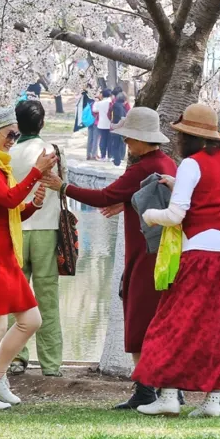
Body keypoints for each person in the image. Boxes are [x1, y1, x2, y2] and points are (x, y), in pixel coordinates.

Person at [52, 107, 176, 410]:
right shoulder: (165, 162)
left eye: (129, 138)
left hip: (145, 254)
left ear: (142, 139)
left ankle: (146, 389)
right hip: (160, 253)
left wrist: (63, 187)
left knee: (139, 319)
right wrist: (129, 203)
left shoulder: (142, 168)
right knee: (157, 320)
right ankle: (168, 388)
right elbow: (152, 198)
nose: (126, 143)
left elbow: (104, 196)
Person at [133, 103, 220, 418]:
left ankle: (169, 395)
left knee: (173, 321)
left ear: (189, 137)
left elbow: (175, 215)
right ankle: (214, 401)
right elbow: (212, 195)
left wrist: (149, 215)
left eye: (181, 134)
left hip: (201, 251)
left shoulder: (190, 164)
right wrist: (178, 186)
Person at [0, 108, 56, 410]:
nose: (13, 139)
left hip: (2, 249)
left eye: (16, 134)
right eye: (10, 134)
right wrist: (36, 172)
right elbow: (8, 199)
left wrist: (33, 207)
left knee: (31, 320)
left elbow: (9, 208)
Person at [7, 100, 63, 377]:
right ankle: (51, 364)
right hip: (46, 230)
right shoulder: (51, 151)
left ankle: (14, 357)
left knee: (14, 299)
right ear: (42, 123)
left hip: (16, 230)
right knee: (47, 299)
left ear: (17, 124)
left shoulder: (7, 153)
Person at [109, 91, 129, 166]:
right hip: (119, 127)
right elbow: (122, 116)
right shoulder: (120, 106)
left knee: (116, 144)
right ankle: (118, 159)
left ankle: (117, 159)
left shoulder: (116, 105)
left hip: (117, 127)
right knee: (119, 144)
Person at [93, 90, 114, 161]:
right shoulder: (111, 102)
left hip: (102, 124)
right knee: (110, 140)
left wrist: (96, 101)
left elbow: (94, 110)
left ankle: (103, 156)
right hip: (110, 124)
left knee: (103, 140)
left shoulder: (100, 103)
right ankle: (110, 156)